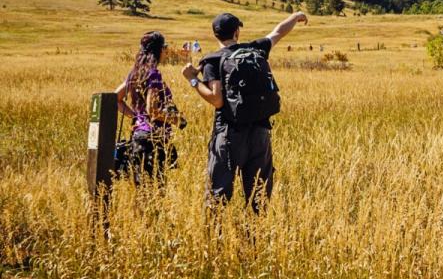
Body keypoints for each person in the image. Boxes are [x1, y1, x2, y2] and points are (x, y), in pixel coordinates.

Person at [182, 11, 307, 211]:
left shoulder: (212, 60)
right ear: (237, 32)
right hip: (260, 132)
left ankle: (217, 239)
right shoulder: (255, 49)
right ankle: (254, 238)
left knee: (218, 197)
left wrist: (193, 80)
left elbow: (216, 99)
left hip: (229, 134)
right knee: (258, 195)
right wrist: (295, 16)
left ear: (215, 34)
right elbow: (278, 32)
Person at [115, 31, 185, 185]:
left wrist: (136, 117)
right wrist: (177, 119)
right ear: (160, 50)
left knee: (143, 193)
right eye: (164, 47)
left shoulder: (135, 73)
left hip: (138, 136)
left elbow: (116, 99)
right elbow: (152, 110)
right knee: (155, 193)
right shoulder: (153, 75)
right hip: (153, 140)